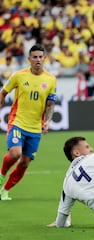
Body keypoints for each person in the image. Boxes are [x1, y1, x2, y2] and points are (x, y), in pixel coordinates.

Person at [0, 44, 57, 201]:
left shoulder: (51, 80)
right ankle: (1, 176)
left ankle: (4, 190)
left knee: (24, 162)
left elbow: (50, 104)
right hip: (17, 122)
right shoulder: (19, 75)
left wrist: (47, 121)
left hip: (35, 128)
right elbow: (3, 93)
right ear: (29, 59)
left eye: (40, 57)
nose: (38, 60)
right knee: (15, 153)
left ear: (44, 58)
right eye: (35, 57)